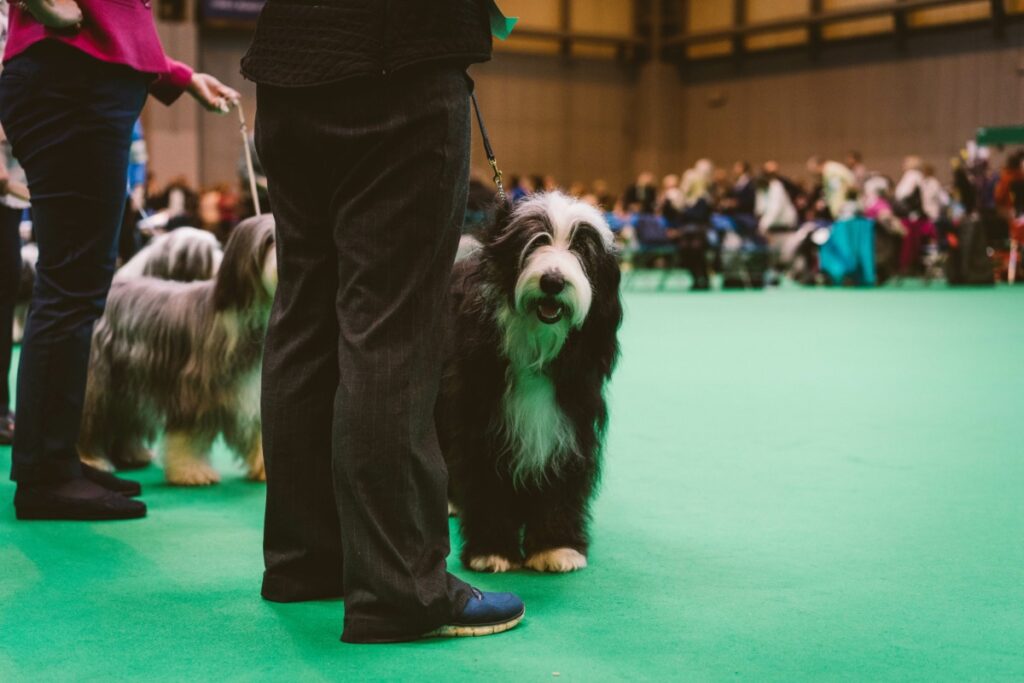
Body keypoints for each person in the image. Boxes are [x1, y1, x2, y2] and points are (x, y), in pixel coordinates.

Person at [242, 0, 525, 644]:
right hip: (399, 71)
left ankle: (306, 560)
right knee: (392, 329)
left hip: (288, 76)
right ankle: (399, 587)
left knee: (304, 317)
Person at [0, 0, 239, 520]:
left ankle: (55, 457)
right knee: (70, 286)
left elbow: (120, 18)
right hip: (72, 76)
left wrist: (177, 74)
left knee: (79, 287)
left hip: (86, 76)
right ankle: (46, 475)